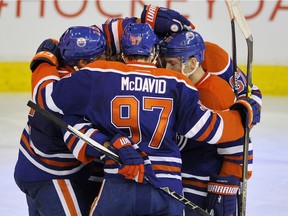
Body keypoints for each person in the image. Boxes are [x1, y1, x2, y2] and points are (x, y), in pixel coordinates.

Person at [29, 21, 260, 215]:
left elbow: (46, 97)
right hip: (165, 187)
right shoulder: (177, 83)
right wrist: (244, 113)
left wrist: (44, 60)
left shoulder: (99, 74)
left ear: (122, 54)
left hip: (118, 183)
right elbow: (212, 129)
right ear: (154, 54)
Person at [14, 25, 115, 216]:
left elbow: (43, 83)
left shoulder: (54, 72)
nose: (106, 59)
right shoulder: (79, 87)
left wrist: (44, 59)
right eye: (101, 55)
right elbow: (49, 99)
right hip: (51, 176)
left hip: (32, 162)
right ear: (83, 61)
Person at [160, 30, 262, 215]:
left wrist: (225, 187)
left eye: (172, 64)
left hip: (201, 181)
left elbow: (239, 144)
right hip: (180, 173)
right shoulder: (179, 87)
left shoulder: (215, 93)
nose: (167, 69)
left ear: (192, 62)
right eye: (165, 63)